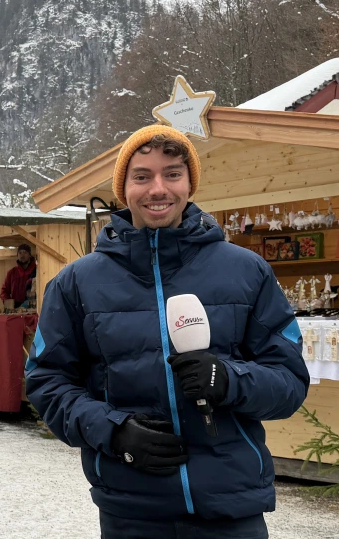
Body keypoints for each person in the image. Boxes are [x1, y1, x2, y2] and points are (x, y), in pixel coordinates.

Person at [25, 124, 309, 539]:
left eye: (172, 173)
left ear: (190, 183)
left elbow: (289, 382)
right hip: (131, 507)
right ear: (124, 188)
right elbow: (46, 381)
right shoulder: (76, 284)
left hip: (231, 507)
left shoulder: (247, 271)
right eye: (142, 176)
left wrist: (230, 379)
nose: (158, 188)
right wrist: (114, 431)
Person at [1, 244, 37, 309]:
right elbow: (4, 291)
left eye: (25, 252)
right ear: (17, 255)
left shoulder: (37, 271)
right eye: (20, 253)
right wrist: (9, 304)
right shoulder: (11, 273)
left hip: (33, 307)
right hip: (15, 309)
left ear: (29, 255)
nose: (22, 255)